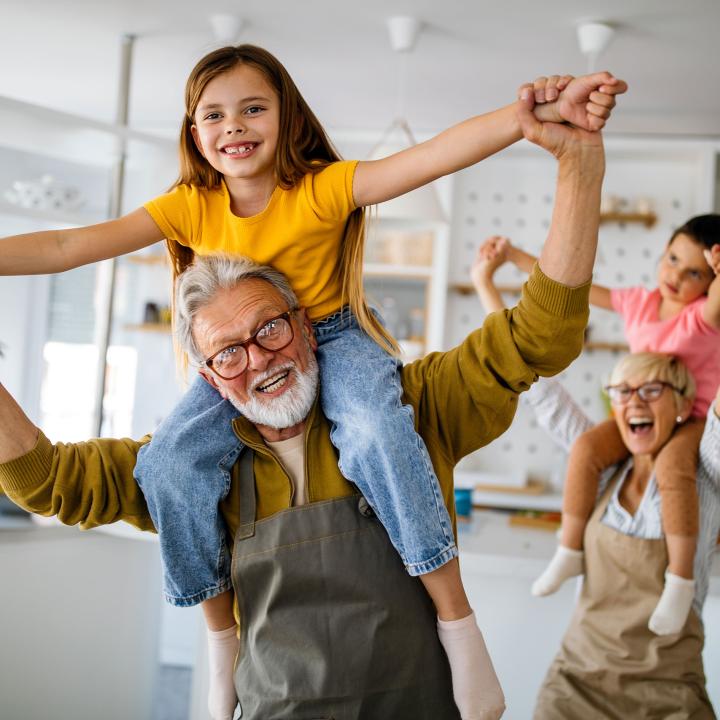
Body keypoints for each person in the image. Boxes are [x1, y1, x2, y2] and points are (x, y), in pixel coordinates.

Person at [0, 43, 626, 718]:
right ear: (193, 132)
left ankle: (459, 625)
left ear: (286, 117)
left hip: (339, 338)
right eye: (214, 115)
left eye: (252, 109)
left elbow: (430, 160)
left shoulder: (323, 192)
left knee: (379, 431)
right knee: (169, 467)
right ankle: (218, 643)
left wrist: (526, 120)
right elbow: (67, 251)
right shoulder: (189, 208)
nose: (234, 126)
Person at [472, 243, 719, 719]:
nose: (634, 403)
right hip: (576, 685)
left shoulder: (705, 469)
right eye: (622, 392)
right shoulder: (604, 467)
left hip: (669, 697)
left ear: (686, 405)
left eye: (652, 390)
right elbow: (536, 387)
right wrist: (485, 285)